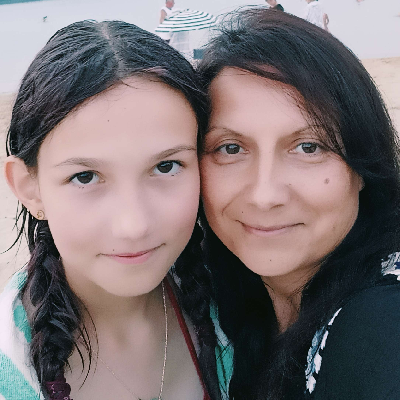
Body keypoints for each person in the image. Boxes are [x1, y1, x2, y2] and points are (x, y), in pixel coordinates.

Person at [1, 20, 230, 400]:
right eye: (85, 177)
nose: (133, 225)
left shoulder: (240, 309)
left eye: (166, 166)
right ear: (30, 188)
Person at [198, 9, 400, 399]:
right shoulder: (216, 301)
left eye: (309, 147)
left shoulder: (380, 322)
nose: (264, 195)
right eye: (231, 148)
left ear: (363, 167)